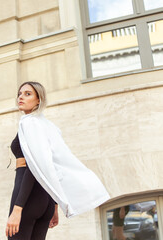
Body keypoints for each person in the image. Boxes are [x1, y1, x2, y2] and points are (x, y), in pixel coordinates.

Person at [6, 81, 110, 239]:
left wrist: (17, 208)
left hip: (28, 198)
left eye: (28, 94)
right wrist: (53, 206)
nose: (21, 97)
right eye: (20, 94)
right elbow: (50, 165)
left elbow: (34, 167)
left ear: (39, 100)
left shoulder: (29, 123)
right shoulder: (47, 125)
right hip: (45, 201)